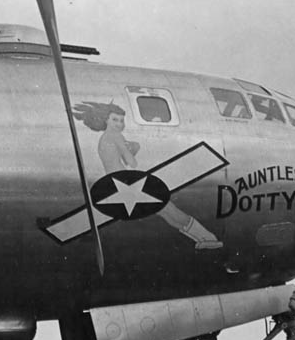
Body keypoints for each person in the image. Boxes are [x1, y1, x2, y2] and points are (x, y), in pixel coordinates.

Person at [74, 101, 222, 249]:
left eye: (121, 120)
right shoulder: (116, 136)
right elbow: (131, 162)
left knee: (166, 212)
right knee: (169, 210)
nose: (119, 124)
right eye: (115, 119)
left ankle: (204, 239)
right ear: (106, 120)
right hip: (127, 182)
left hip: (116, 185)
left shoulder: (104, 139)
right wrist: (134, 147)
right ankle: (207, 238)